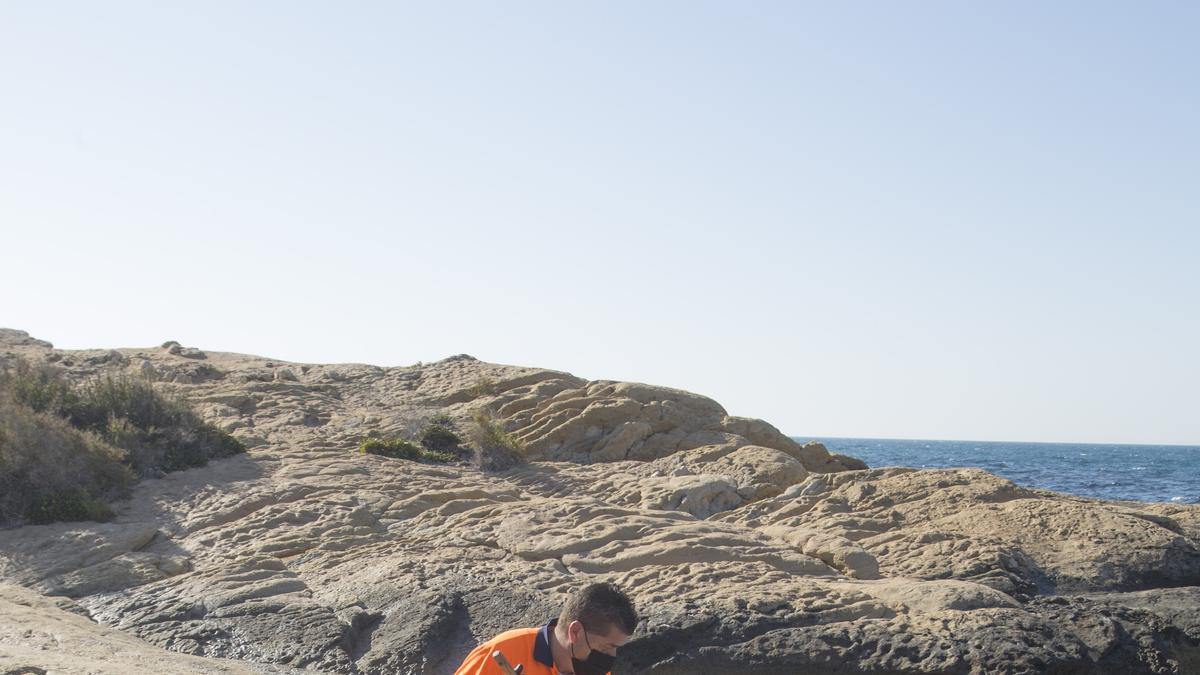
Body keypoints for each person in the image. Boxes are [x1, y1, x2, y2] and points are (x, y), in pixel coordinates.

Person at [454, 582, 637, 675]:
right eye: (606, 647)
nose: (610, 658)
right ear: (575, 632)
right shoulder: (504, 650)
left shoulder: (594, 670)